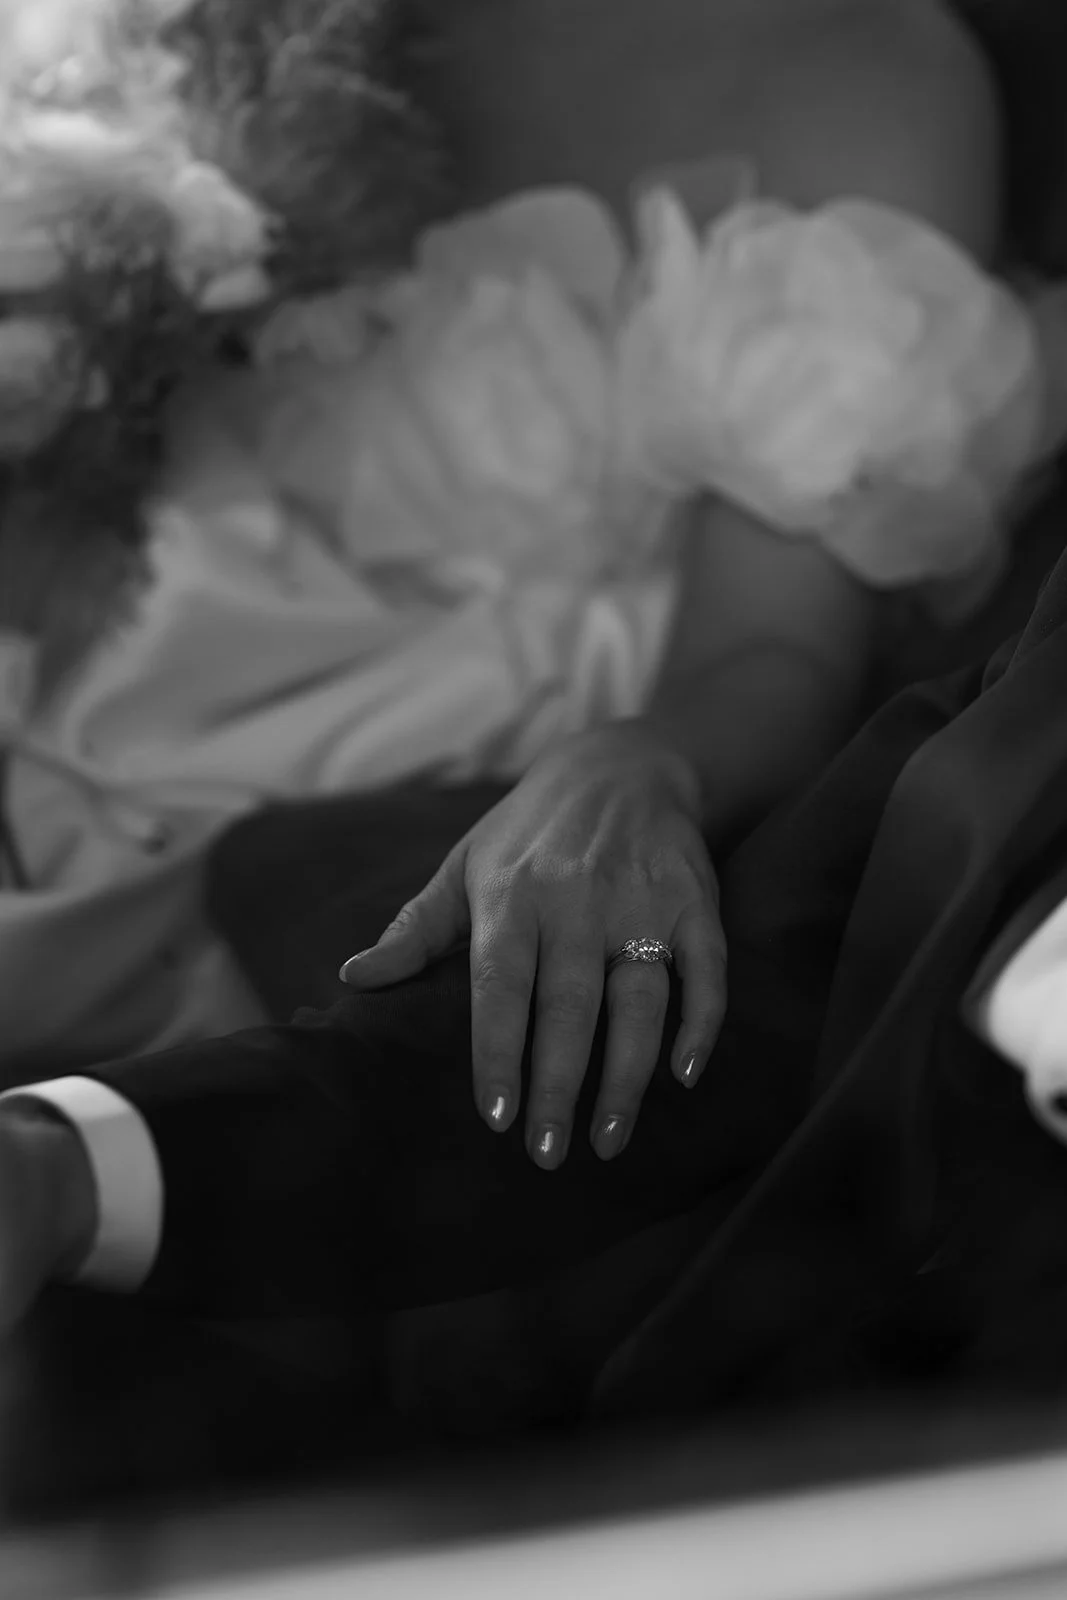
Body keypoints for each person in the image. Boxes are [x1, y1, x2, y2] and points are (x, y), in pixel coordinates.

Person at [0, 0, 1042, 1095]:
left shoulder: (850, 72)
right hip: (88, 634)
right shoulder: (180, 27)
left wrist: (639, 762)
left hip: (410, 757)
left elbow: (773, 647)